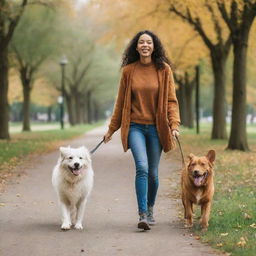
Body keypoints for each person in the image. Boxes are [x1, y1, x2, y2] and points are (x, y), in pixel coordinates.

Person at [103, 30, 180, 231]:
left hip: (156, 128)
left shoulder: (164, 70)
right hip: (135, 127)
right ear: (136, 47)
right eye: (141, 42)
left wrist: (174, 125)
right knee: (142, 168)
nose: (145, 45)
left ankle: (151, 208)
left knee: (153, 173)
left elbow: (171, 101)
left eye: (149, 42)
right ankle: (142, 214)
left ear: (154, 46)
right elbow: (120, 103)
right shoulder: (128, 71)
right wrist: (111, 130)